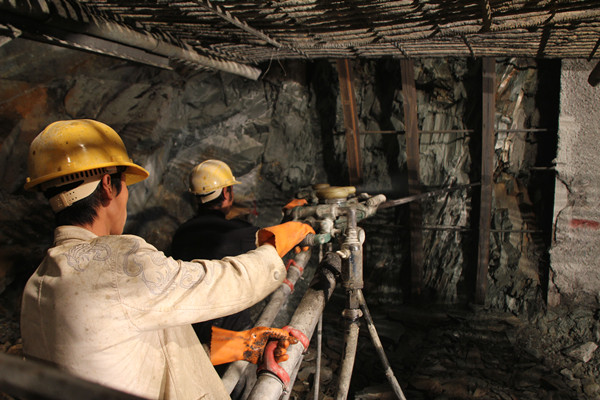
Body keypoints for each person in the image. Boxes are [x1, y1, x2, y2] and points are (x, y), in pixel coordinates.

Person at [20, 119, 314, 400]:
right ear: (109, 185)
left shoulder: (37, 287)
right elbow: (219, 283)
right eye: (126, 186)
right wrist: (273, 246)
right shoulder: (117, 264)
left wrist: (248, 345)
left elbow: (149, 343)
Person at [171, 160, 258, 346]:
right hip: (228, 339)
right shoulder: (242, 234)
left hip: (188, 333)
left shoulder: (180, 234)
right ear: (226, 193)